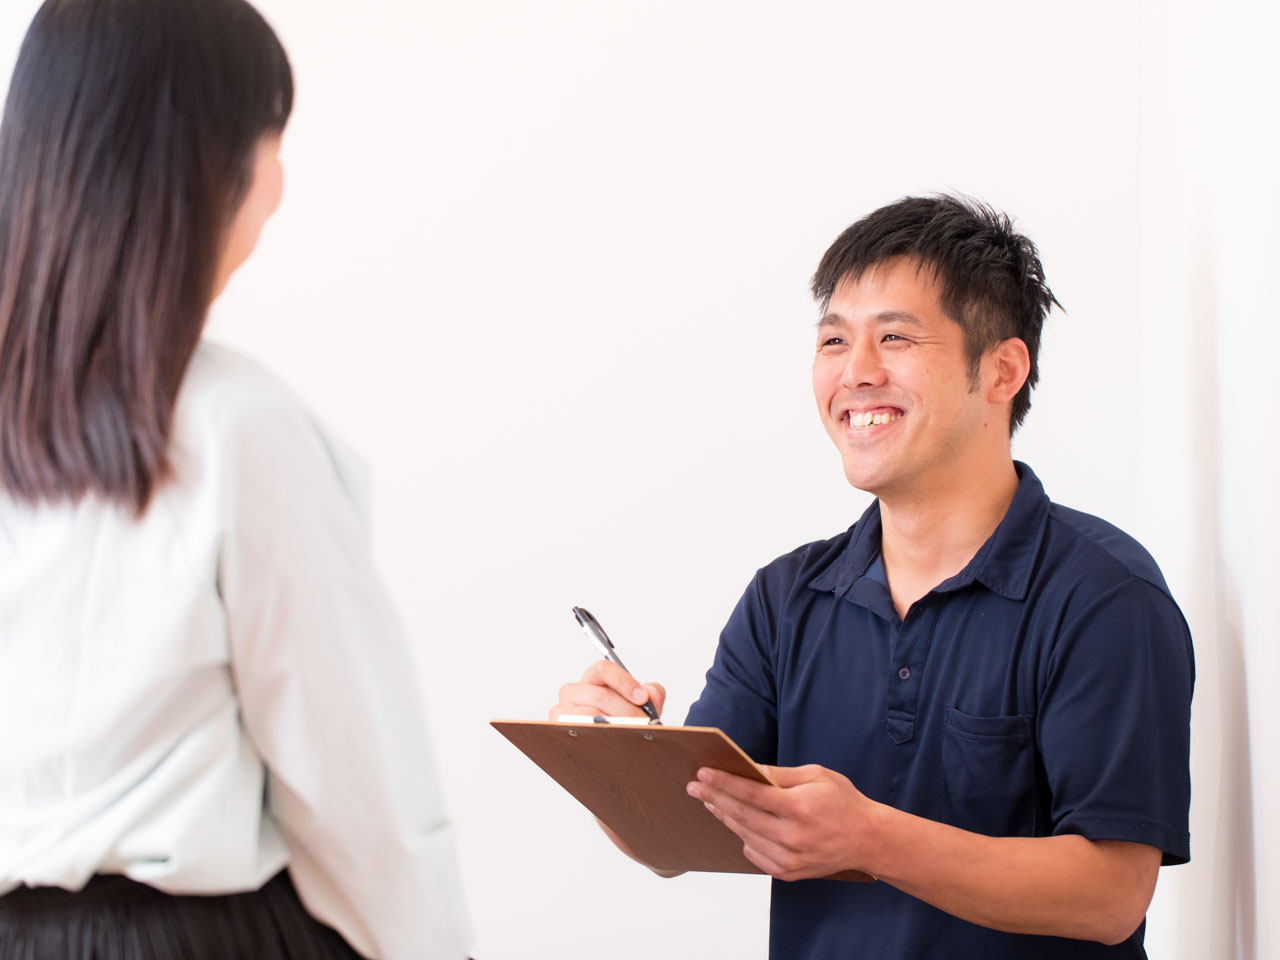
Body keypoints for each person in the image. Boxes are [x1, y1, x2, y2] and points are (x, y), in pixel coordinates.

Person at [551, 195, 1194, 959]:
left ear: (1001, 369)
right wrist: (614, 761)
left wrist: (873, 839)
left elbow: (1112, 896)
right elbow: (680, 840)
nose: (855, 374)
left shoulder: (1102, 597)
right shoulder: (785, 598)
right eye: (833, 340)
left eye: (894, 336)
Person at [0, 1, 470, 958]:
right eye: (269, 137)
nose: (281, 181)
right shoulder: (235, 428)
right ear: (198, 166)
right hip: (198, 937)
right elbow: (355, 790)